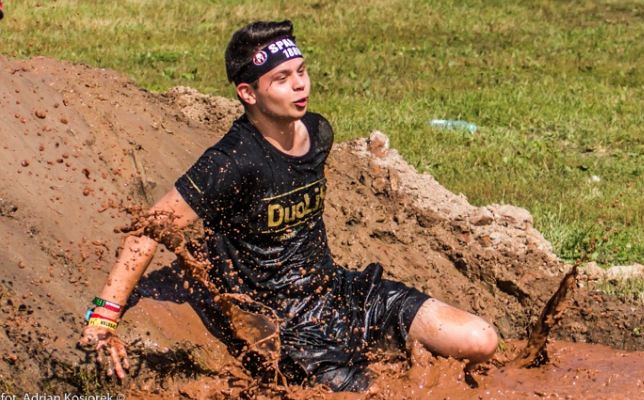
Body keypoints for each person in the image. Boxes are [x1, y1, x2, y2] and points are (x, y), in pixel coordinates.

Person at [78, 20, 498, 392]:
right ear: (249, 93)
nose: (300, 85)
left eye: (301, 71)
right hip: (291, 331)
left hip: (345, 294)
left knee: (481, 340)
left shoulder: (318, 132)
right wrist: (104, 317)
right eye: (281, 79)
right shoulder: (231, 162)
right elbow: (149, 229)